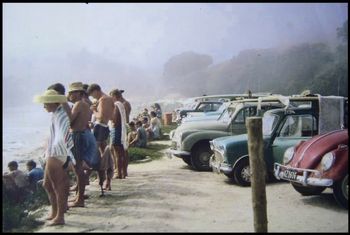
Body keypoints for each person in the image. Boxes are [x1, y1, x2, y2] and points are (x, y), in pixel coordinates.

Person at [33, 89, 74, 226]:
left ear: (52, 102)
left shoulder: (61, 114)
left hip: (56, 152)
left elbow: (65, 132)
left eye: (45, 103)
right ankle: (55, 212)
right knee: (48, 184)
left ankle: (60, 216)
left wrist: (62, 150)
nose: (44, 105)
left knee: (58, 186)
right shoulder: (57, 113)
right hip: (55, 152)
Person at [67, 82, 98, 207]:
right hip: (82, 134)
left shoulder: (78, 104)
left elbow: (70, 121)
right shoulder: (85, 104)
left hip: (77, 136)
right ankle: (79, 196)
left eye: (71, 93)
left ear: (78, 93)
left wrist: (65, 108)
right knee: (78, 167)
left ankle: (80, 199)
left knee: (77, 168)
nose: (69, 95)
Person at [87, 84, 114, 190]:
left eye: (92, 95)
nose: (93, 97)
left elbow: (101, 117)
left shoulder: (103, 100)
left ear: (96, 91)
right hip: (105, 127)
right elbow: (110, 116)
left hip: (100, 128)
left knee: (96, 156)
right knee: (105, 155)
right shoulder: (109, 99)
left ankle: (99, 180)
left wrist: (93, 110)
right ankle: (106, 181)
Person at [109, 89, 128, 179]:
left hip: (116, 130)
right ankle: (123, 172)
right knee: (121, 153)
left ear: (114, 96)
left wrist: (109, 116)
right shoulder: (121, 104)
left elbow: (115, 120)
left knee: (117, 153)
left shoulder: (116, 105)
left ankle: (118, 173)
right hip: (120, 130)